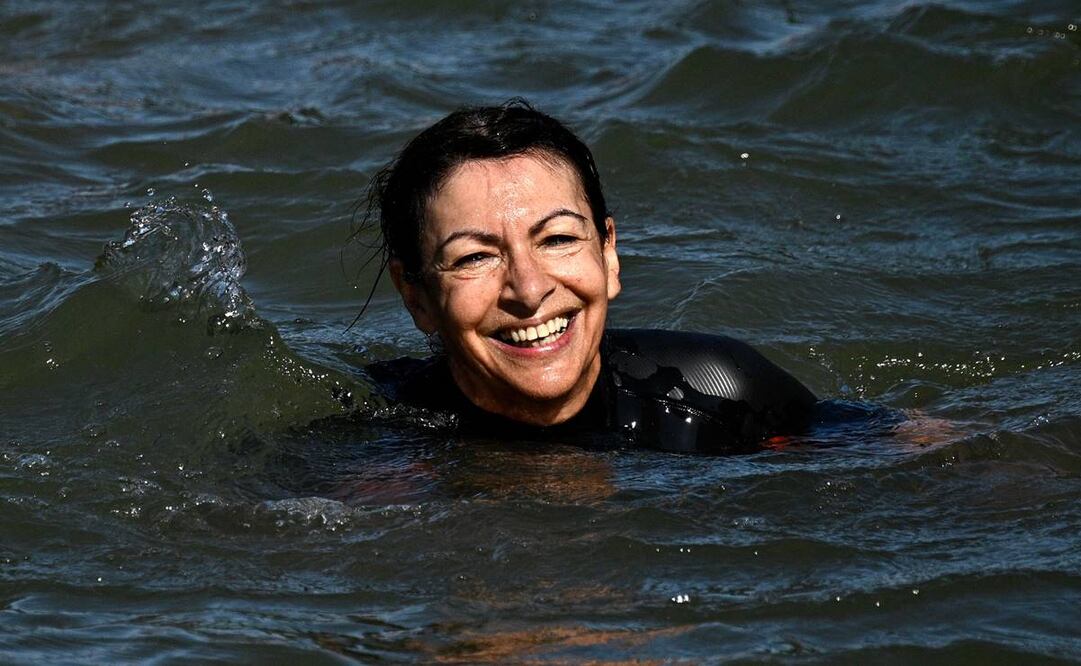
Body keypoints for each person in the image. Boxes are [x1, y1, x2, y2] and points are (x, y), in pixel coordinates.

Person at [360, 100, 817, 453]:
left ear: (608, 253)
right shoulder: (381, 449)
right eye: (475, 257)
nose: (530, 289)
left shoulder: (722, 394)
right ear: (415, 296)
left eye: (557, 239)